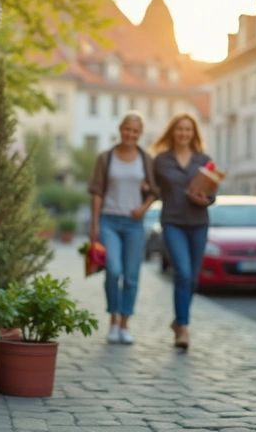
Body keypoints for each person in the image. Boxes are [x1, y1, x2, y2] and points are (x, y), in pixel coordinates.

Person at [88, 112, 159, 344]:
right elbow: (97, 191)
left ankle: (125, 324)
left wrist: (144, 208)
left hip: (134, 223)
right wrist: (95, 223)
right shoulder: (106, 158)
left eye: (135, 131)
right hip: (109, 220)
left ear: (140, 134)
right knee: (113, 270)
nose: (130, 134)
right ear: (120, 130)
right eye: (127, 129)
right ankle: (113, 321)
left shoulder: (146, 159)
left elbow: (155, 192)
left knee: (131, 276)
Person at [151, 112, 214, 350]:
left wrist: (204, 199)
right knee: (183, 275)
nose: (184, 133)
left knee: (194, 280)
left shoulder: (204, 159)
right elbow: (151, 187)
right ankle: (184, 329)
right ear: (172, 132)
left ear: (194, 133)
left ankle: (179, 321)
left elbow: (212, 193)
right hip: (173, 222)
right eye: (180, 129)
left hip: (199, 222)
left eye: (188, 129)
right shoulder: (161, 160)